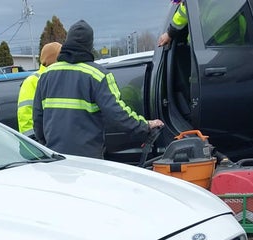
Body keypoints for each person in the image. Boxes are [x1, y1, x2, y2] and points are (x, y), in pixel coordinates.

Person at [32, 20, 163, 159]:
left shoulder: (46, 75)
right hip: (88, 160)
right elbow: (118, 114)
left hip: (56, 158)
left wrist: (46, 145)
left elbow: (38, 118)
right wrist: (145, 126)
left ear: (67, 42)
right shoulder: (98, 75)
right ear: (89, 45)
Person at [16, 41, 62, 135]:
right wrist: (35, 142)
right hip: (38, 144)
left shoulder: (60, 78)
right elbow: (25, 115)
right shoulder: (32, 81)